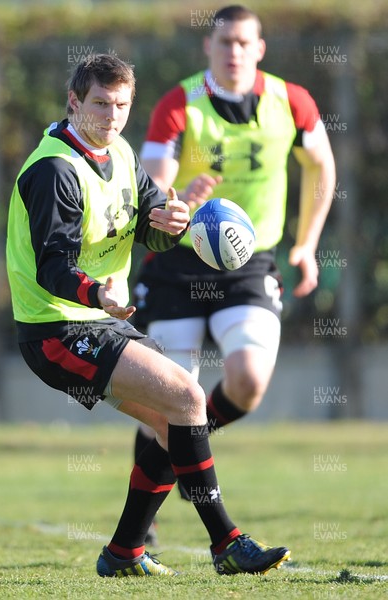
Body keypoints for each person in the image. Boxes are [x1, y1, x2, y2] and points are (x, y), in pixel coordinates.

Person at [6, 53, 291, 578]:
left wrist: (176, 221)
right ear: (74, 103)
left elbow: (152, 223)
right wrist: (98, 296)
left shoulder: (119, 153)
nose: (111, 116)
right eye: (99, 104)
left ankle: (123, 553)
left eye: (121, 105)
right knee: (187, 397)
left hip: (98, 321)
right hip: (56, 328)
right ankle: (226, 543)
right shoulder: (54, 170)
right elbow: (53, 267)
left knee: (171, 423)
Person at [132, 4, 336, 525]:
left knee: (246, 379)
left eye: (245, 43)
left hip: (249, 265)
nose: (234, 52)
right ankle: (143, 525)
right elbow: (152, 182)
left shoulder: (291, 101)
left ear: (260, 48)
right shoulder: (180, 102)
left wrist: (307, 244)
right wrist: (177, 194)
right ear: (209, 48)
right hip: (177, 261)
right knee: (171, 394)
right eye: (225, 43)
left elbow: (321, 167)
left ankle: (184, 450)